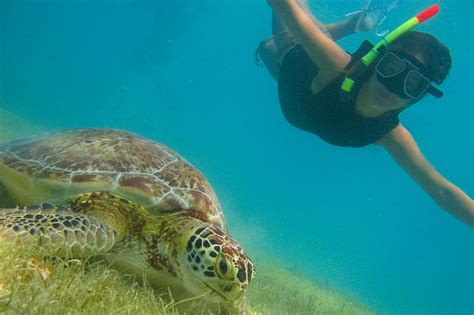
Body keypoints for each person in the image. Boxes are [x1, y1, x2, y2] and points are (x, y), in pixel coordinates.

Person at [255, 0, 474, 228]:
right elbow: (285, 7)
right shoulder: (336, 65)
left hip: (294, 94)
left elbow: (442, 191)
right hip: (293, 55)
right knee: (286, 31)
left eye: (413, 85)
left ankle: (352, 24)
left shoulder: (390, 134)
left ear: (419, 96)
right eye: (391, 69)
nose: (392, 88)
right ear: (378, 60)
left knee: (268, 47)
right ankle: (351, 25)